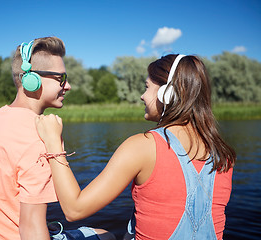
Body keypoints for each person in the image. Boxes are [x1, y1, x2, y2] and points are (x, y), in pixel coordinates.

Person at [35, 54, 236, 239]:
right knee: (106, 235)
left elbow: (74, 209)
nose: (142, 96)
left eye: (147, 87)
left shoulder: (143, 146)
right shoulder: (223, 155)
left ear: (167, 94)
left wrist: (53, 141)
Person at [0, 36, 115, 240]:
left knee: (100, 233)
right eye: (61, 78)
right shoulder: (37, 135)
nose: (67, 86)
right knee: (108, 236)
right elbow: (31, 230)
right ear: (32, 80)